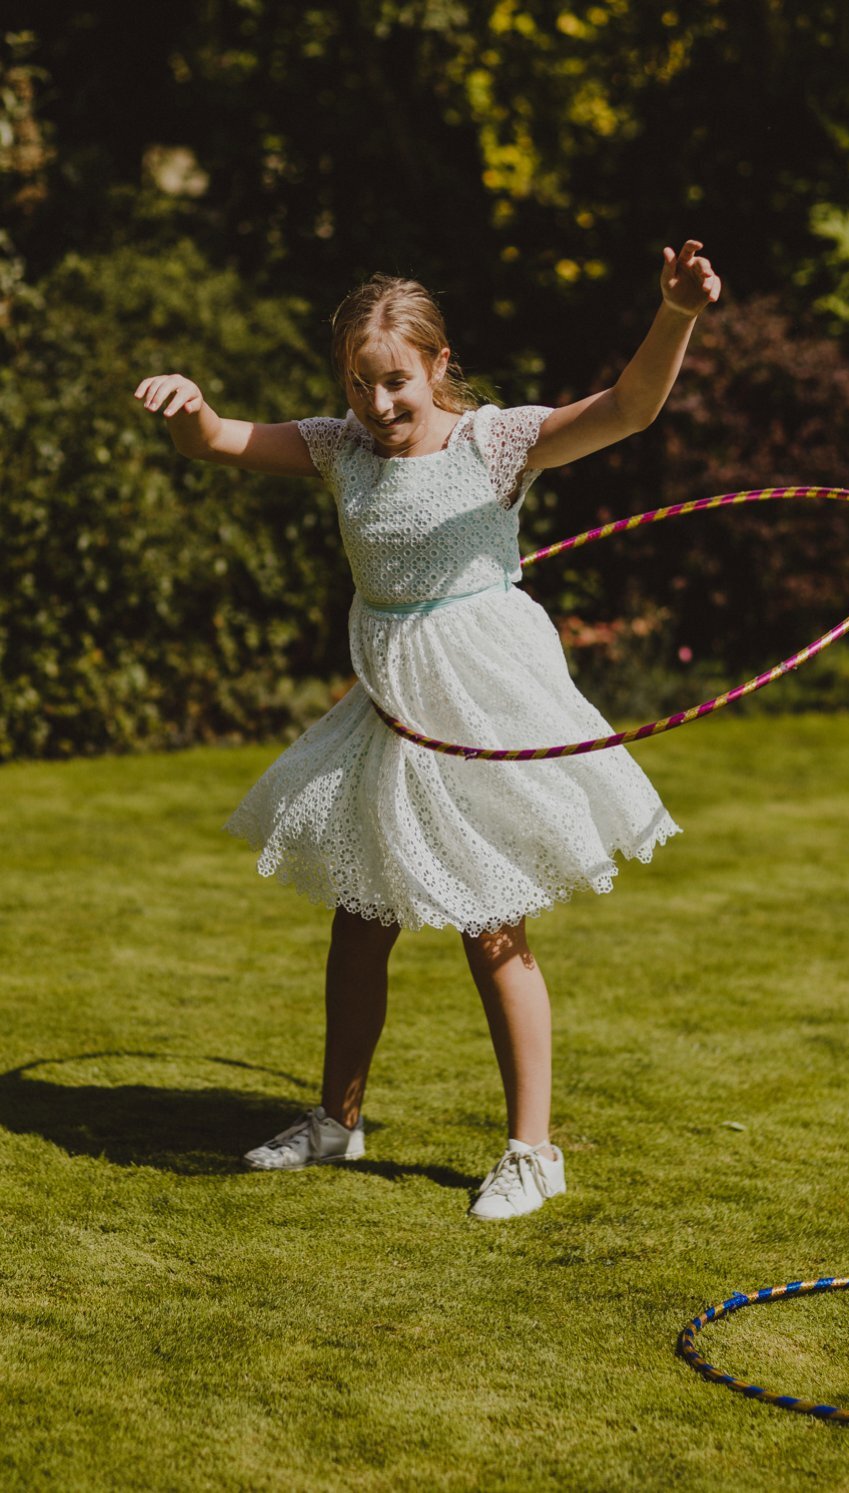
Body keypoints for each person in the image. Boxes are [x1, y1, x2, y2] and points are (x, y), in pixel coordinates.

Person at [133, 241, 723, 1219]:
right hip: (390, 701)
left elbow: (628, 408)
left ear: (438, 363)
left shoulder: (490, 442)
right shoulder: (340, 448)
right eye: (360, 383)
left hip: (482, 698)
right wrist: (189, 405)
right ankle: (337, 1117)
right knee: (361, 917)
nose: (378, 402)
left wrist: (675, 312)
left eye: (395, 380)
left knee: (491, 921)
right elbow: (219, 440)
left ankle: (534, 1150)